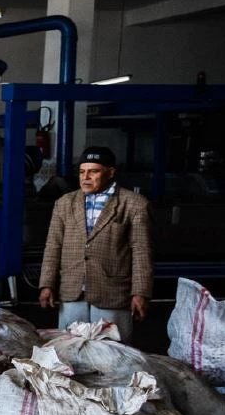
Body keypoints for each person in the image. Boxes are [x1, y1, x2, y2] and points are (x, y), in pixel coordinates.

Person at [39, 145, 152, 343]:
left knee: (112, 354)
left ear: (110, 173)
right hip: (72, 292)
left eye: (93, 171)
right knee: (69, 351)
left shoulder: (134, 204)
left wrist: (140, 293)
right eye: (82, 172)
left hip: (112, 293)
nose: (86, 177)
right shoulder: (64, 203)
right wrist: (47, 284)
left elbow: (141, 252)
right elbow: (53, 247)